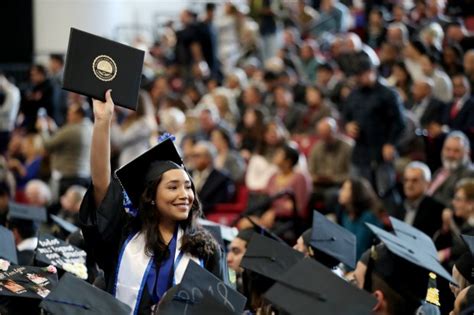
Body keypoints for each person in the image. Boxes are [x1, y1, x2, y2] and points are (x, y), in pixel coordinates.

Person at [79, 90, 224, 314]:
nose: (184, 194)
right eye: (173, 187)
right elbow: (101, 185)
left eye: (188, 186)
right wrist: (102, 121)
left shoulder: (205, 249)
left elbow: (220, 308)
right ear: (152, 198)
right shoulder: (125, 236)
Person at [38, 101, 92, 197]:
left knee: (62, 206)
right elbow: (68, 141)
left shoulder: (72, 129)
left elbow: (48, 145)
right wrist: (55, 129)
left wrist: (43, 129)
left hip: (68, 178)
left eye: (70, 113)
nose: (68, 116)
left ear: (78, 115)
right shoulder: (90, 127)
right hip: (84, 176)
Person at [394, 161, 444, 238]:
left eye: (414, 180)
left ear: (427, 183)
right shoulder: (400, 207)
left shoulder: (436, 209)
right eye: (406, 180)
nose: (409, 185)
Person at [337, 177, 383, 260]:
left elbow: (358, 250)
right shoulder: (346, 214)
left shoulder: (368, 218)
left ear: (356, 193)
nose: (340, 192)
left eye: (344, 189)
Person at [427, 131, 474, 206]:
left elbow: (458, 204)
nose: (451, 155)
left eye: (456, 151)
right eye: (448, 149)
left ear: (467, 153)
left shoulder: (470, 173)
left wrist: (428, 198)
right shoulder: (440, 171)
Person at [189, 141, 235, 213]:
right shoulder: (186, 173)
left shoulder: (222, 179)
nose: (193, 159)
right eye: (192, 155)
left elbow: (217, 204)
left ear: (209, 158)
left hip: (207, 215)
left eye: (197, 156)